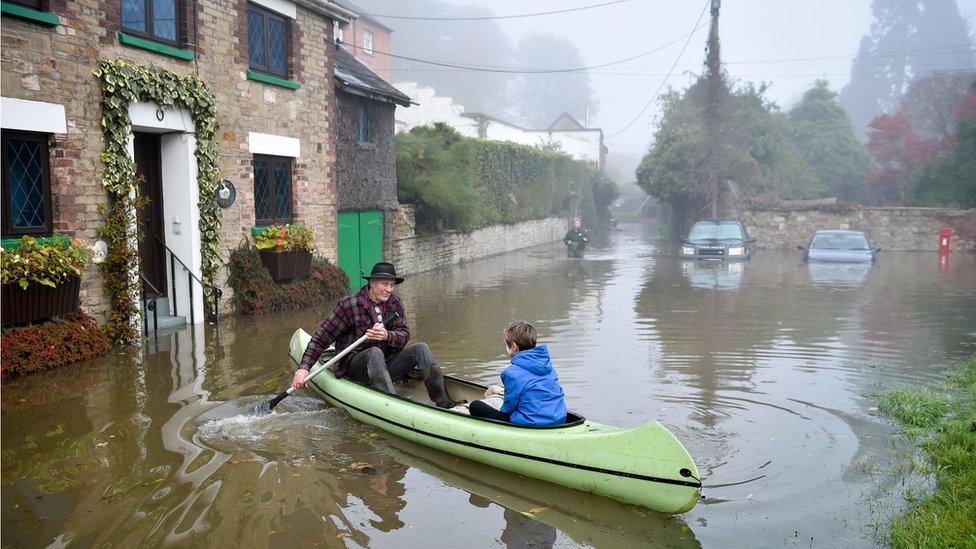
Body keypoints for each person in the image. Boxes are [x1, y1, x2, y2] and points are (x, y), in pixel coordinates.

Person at [292, 261, 457, 408]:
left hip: (385, 365)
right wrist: (304, 368)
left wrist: (387, 336)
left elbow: (404, 335)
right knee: (374, 352)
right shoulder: (349, 304)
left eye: (392, 285)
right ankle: (392, 406)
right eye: (385, 284)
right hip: (354, 366)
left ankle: (444, 402)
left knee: (421, 348)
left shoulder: (395, 303)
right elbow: (322, 338)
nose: (389, 290)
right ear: (372, 282)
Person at [469, 320, 567, 426]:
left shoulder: (512, 373)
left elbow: (509, 407)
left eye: (507, 346)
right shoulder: (549, 367)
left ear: (514, 347)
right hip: (559, 418)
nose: (506, 349)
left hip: (530, 423)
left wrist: (502, 409)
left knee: (475, 406)